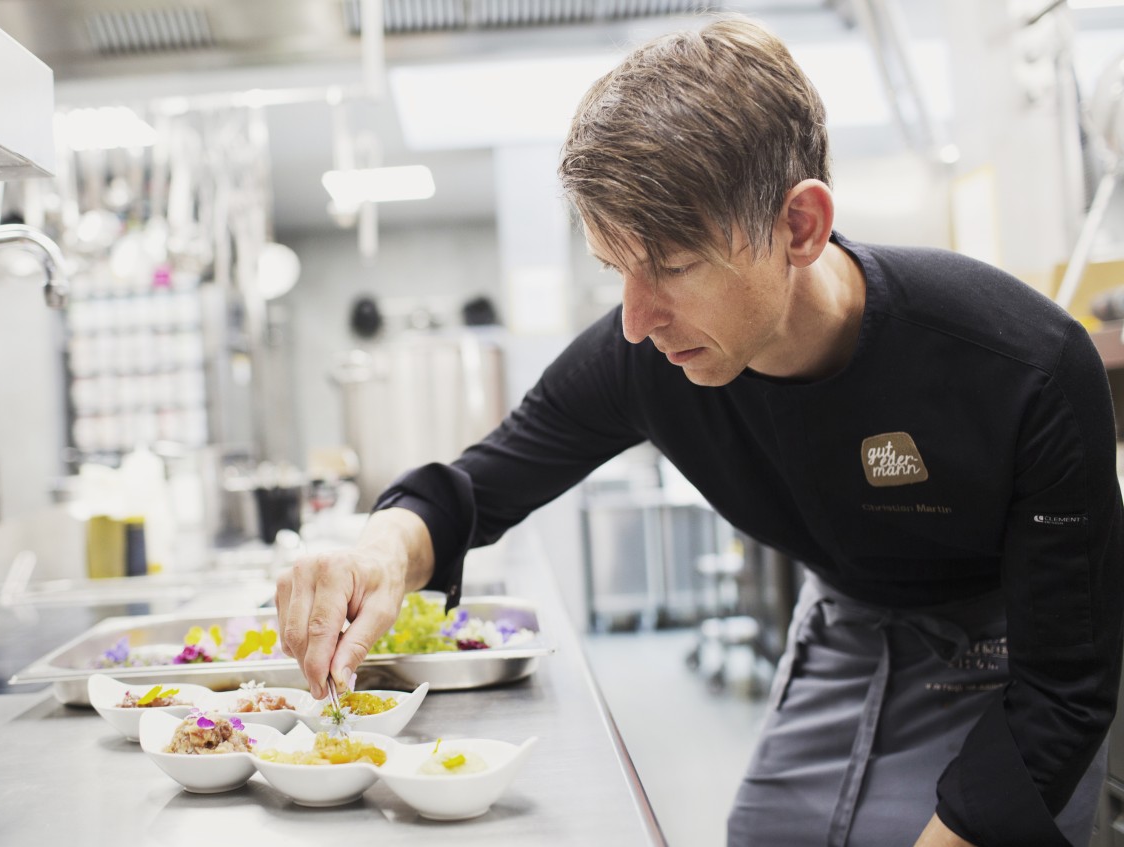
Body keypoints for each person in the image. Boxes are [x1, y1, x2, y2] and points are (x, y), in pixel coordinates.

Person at [276, 15, 1124, 847]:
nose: (637, 320)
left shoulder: (1024, 366)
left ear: (799, 225)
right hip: (849, 621)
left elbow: (1064, 691)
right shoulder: (648, 357)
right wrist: (379, 551)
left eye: (675, 267)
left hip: (1013, 652)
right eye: (617, 270)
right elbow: (487, 478)